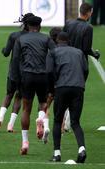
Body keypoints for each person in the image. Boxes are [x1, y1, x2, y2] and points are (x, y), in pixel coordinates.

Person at [12, 15, 56, 155]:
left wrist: (17, 80)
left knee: (26, 109)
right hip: (43, 76)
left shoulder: (21, 39)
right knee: (43, 103)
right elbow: (55, 54)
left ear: (27, 26)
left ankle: (25, 142)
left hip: (27, 76)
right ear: (40, 26)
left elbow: (15, 61)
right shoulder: (46, 38)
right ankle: (41, 119)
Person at [47, 32, 88, 163]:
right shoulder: (79, 52)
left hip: (61, 87)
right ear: (68, 41)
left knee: (58, 120)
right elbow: (85, 70)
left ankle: (57, 153)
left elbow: (49, 71)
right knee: (75, 122)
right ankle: (82, 149)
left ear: (57, 41)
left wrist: (51, 89)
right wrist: (80, 84)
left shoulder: (53, 52)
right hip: (78, 88)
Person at [0, 13, 34, 133]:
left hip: (13, 71)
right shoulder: (33, 37)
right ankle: (10, 125)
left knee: (8, 95)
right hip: (26, 72)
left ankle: (0, 118)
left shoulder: (14, 35)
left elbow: (6, 53)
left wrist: (2, 49)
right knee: (19, 97)